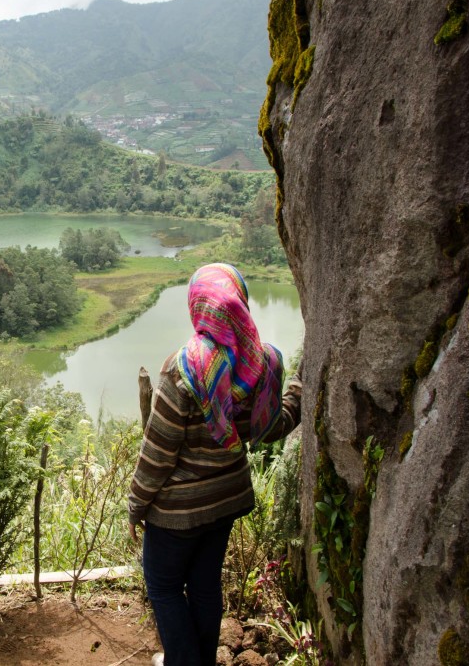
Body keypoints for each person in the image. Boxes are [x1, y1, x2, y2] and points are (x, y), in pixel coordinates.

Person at [128, 263, 302, 666]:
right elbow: (271, 427)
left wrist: (136, 506)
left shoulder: (183, 368)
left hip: (176, 513)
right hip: (225, 501)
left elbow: (157, 455)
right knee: (205, 586)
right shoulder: (262, 364)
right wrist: (296, 392)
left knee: (164, 586)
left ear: (199, 307)